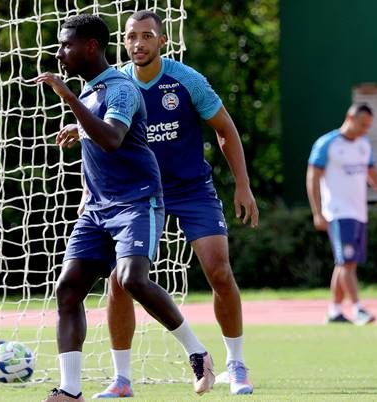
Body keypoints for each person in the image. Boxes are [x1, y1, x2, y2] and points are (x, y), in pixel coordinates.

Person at [61, 10, 257, 397]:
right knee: (120, 281)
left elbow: (224, 128)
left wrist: (243, 185)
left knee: (218, 270)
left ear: (162, 41)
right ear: (122, 42)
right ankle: (122, 378)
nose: (139, 43)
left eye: (147, 35)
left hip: (190, 188)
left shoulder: (187, 80)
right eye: (132, 36)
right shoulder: (112, 83)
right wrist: (81, 142)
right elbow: (101, 141)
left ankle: (235, 364)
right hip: (136, 194)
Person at [38, 14, 213, 402]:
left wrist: (68, 99)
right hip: (98, 209)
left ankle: (198, 352)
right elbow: (96, 141)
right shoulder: (90, 92)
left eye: (66, 45)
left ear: (90, 47)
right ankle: (70, 390)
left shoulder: (120, 89)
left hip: (137, 201)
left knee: (132, 279)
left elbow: (113, 138)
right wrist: (78, 123)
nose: (60, 53)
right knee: (68, 288)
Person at [307, 103, 377, 325]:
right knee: (347, 262)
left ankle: (334, 311)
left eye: (368, 126)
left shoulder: (364, 144)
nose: (365, 130)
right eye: (362, 124)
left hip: (359, 212)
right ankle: (358, 309)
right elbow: (312, 177)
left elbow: (373, 175)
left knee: (345, 263)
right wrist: (317, 212)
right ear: (349, 117)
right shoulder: (327, 143)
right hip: (338, 212)